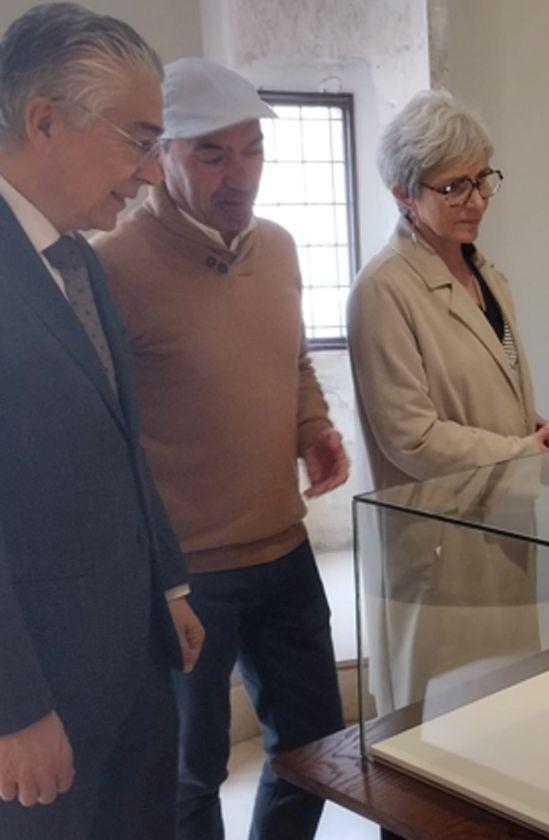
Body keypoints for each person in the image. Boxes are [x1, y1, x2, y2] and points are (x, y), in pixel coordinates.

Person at [91, 58, 349, 840]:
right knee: (190, 773)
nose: (240, 176)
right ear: (160, 154)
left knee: (315, 751)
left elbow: (295, 361)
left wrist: (313, 426)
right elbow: (107, 435)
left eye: (252, 151)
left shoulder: (278, 248)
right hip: (189, 573)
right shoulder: (113, 267)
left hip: (284, 547)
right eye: (212, 153)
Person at [0, 5, 204, 838]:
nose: (153, 172)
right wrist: (14, 708)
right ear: (43, 121)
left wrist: (170, 581)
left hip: (134, 661)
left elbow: (120, 439)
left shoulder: (76, 256)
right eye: (138, 139)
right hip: (43, 693)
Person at [348, 89, 549, 488]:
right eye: (454, 188)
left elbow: (479, 389)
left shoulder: (488, 275)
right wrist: (520, 453)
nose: (477, 201)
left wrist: (526, 427)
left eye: (482, 180)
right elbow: (412, 438)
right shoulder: (382, 289)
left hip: (504, 512)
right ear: (403, 193)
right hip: (439, 530)